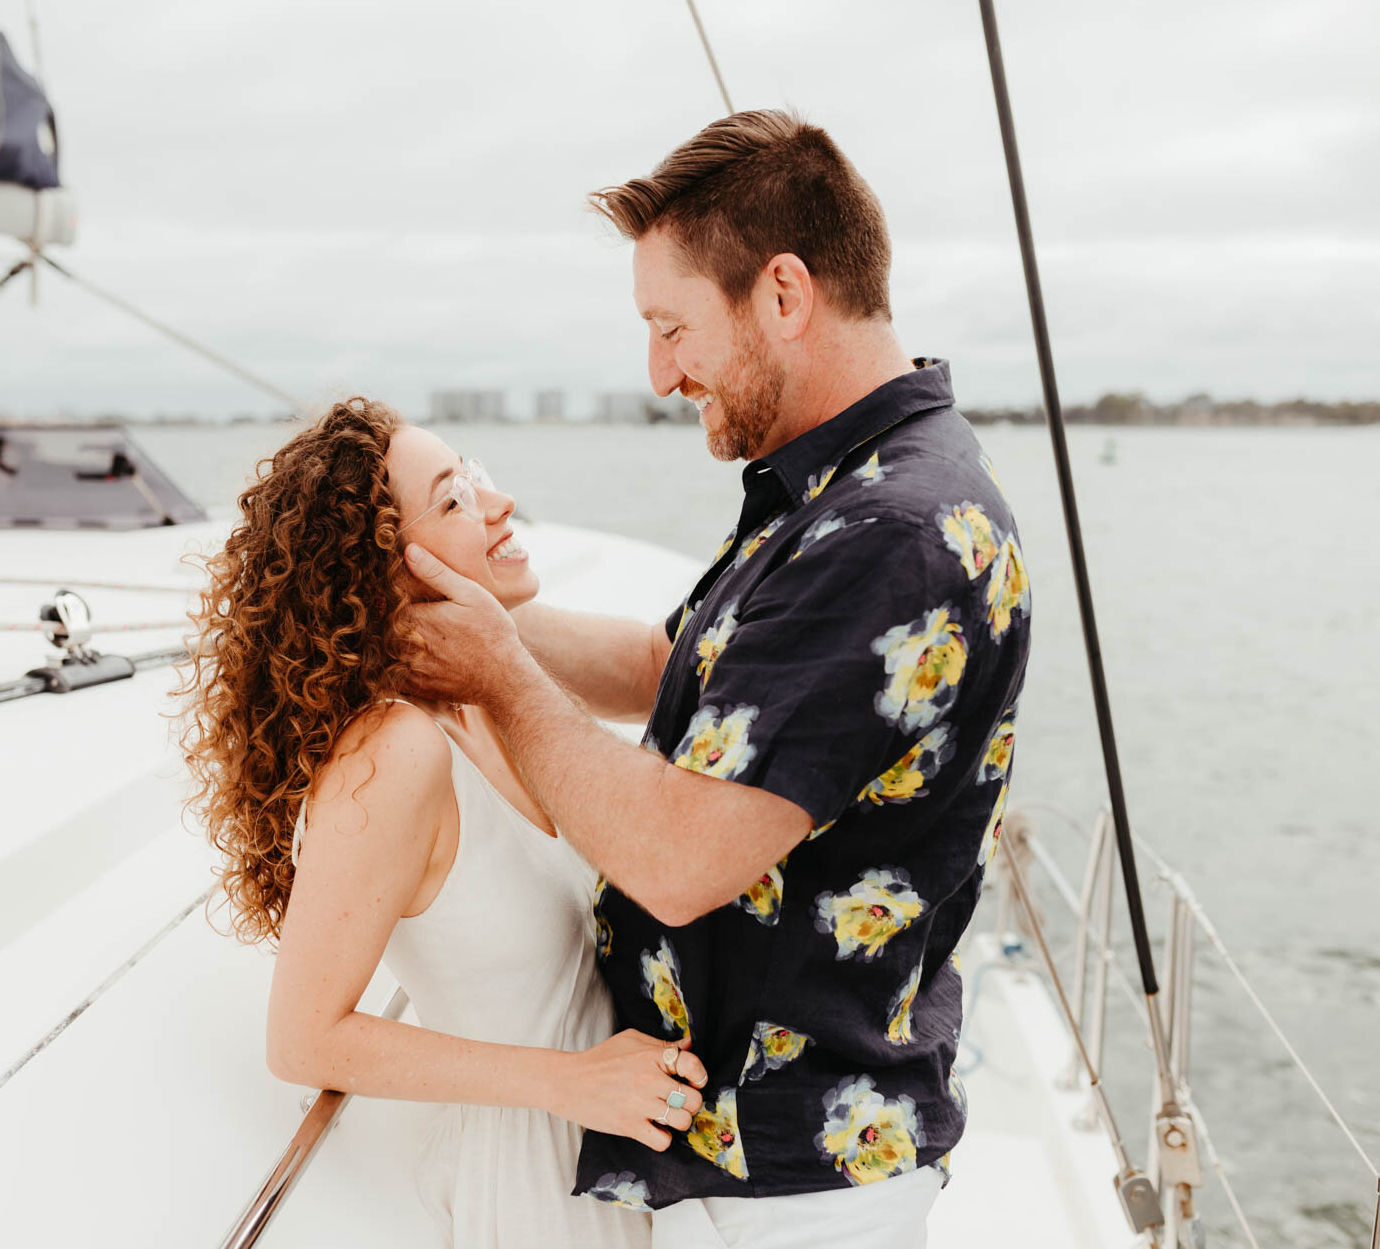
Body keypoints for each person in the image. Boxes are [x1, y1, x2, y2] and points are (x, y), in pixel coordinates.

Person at [401, 110, 1032, 1247]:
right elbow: (668, 667)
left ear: (783, 294)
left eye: (671, 326)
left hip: (797, 1182)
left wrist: (493, 670)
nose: (658, 373)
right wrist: (453, 610)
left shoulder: (894, 530)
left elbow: (680, 858)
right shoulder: (844, 491)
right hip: (749, 1155)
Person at [175, 398, 707, 1248]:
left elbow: (662, 671)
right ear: (384, 566)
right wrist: (569, 1082)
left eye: (477, 476)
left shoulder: (499, 689)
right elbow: (302, 1037)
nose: (498, 504)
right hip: (534, 1186)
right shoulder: (395, 750)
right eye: (454, 499)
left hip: (621, 1164)